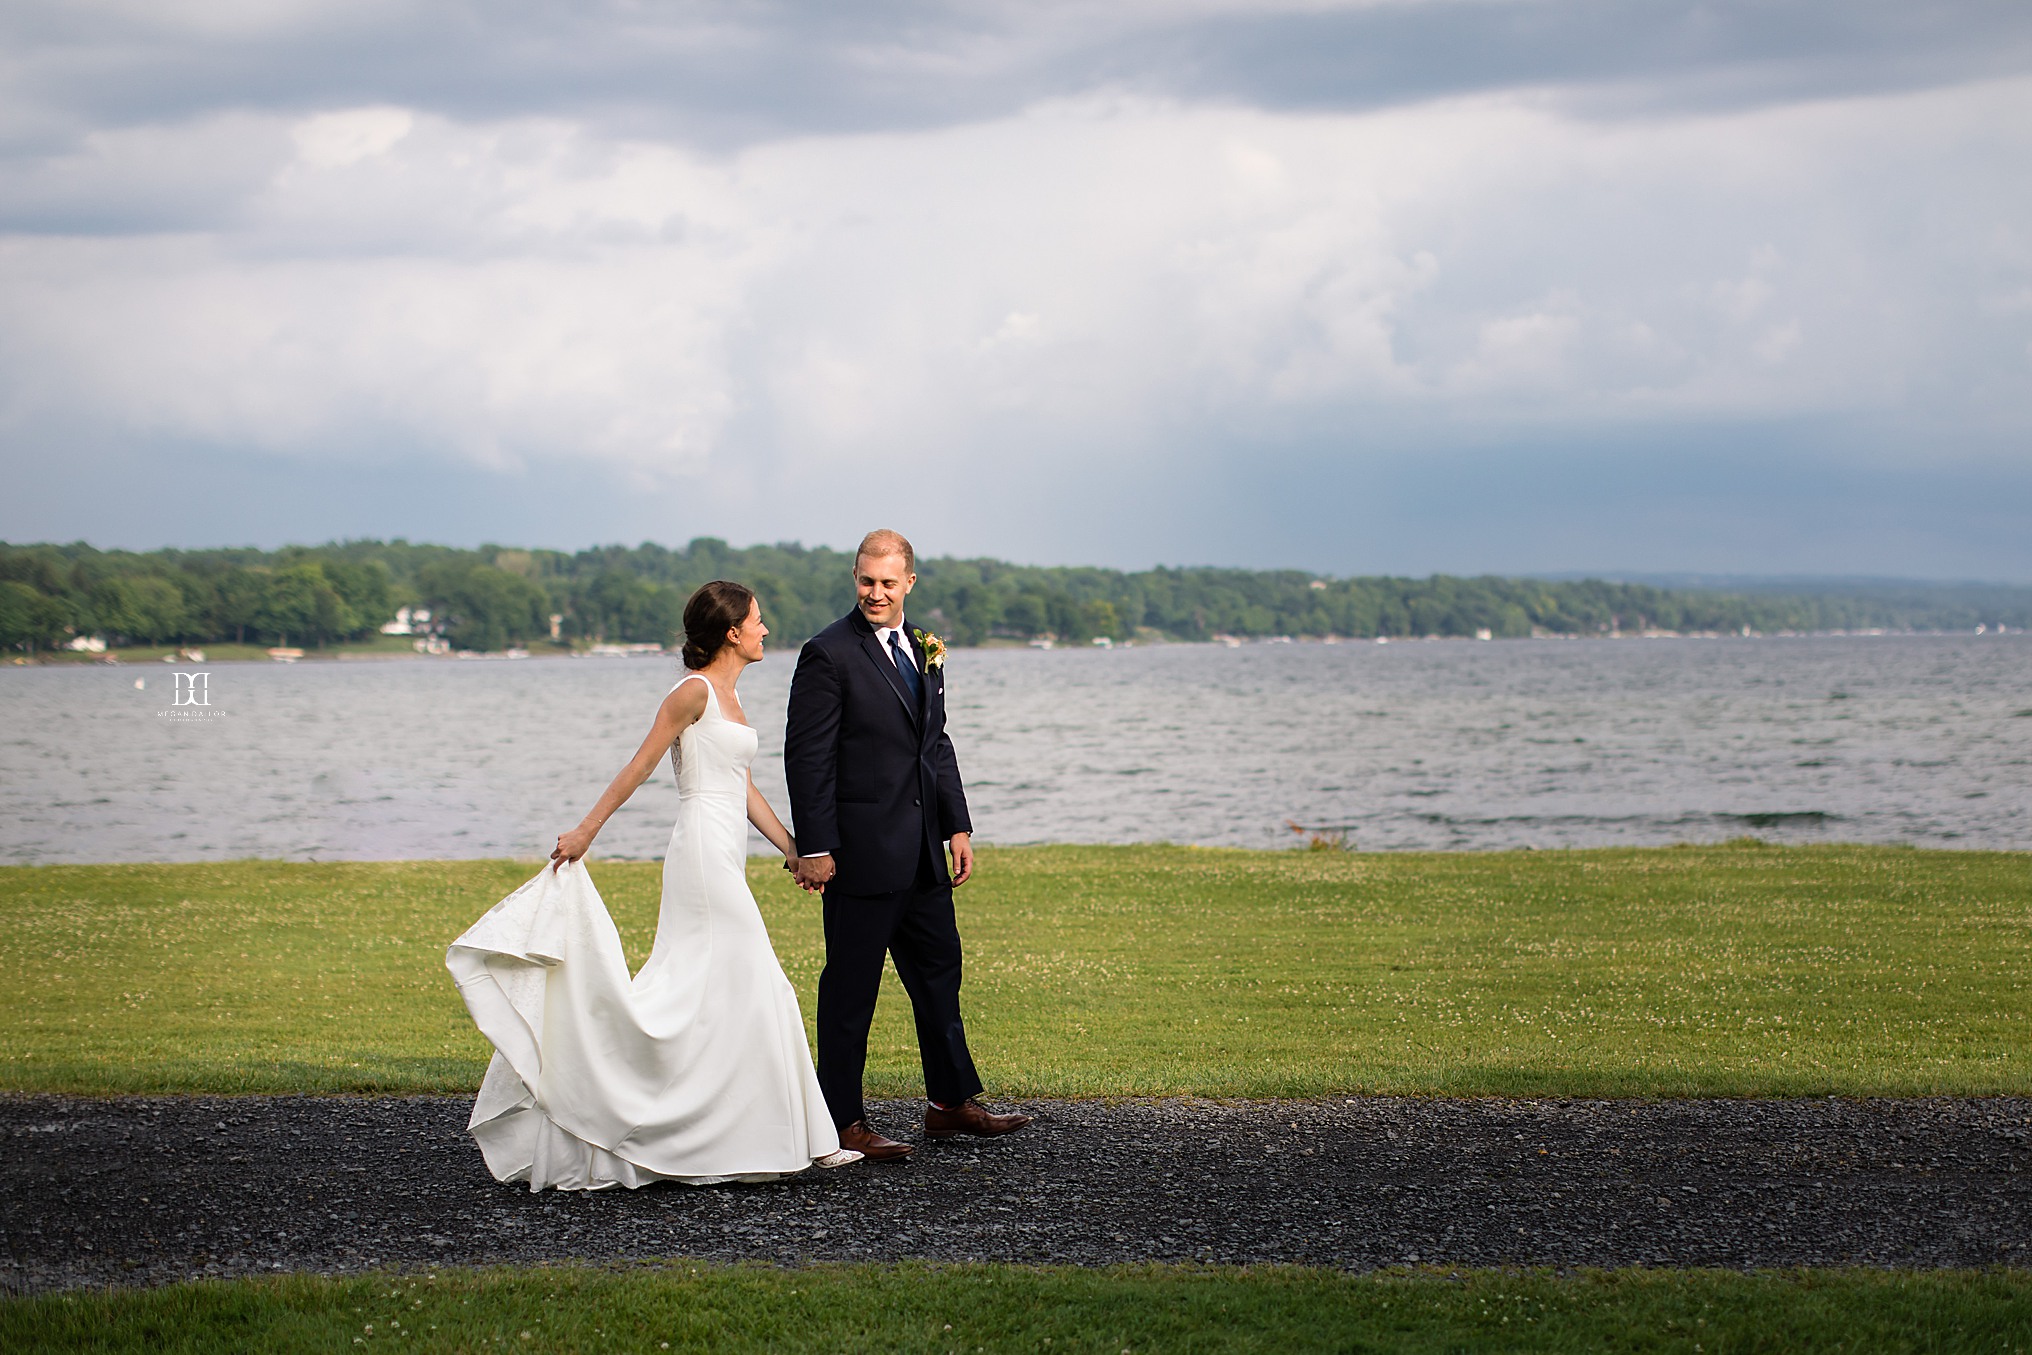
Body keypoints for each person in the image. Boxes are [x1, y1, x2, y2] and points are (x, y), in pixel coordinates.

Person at [445, 581, 861, 1189]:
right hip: (699, 856)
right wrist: (586, 830)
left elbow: (742, 789)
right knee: (759, 980)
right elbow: (639, 767)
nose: (765, 630)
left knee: (709, 992)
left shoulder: (731, 697)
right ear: (731, 632)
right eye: (758, 621)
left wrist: (796, 850)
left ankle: (753, 1132)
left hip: (724, 849)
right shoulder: (692, 692)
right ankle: (805, 1140)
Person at [784, 529, 1032, 1159]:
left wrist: (958, 825)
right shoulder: (826, 654)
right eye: (866, 581)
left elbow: (935, 744)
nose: (875, 592)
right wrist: (815, 845)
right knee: (849, 992)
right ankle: (841, 1121)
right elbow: (807, 759)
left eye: (887, 583)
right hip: (860, 857)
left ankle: (949, 1105)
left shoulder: (924, 648)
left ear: (909, 583)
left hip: (923, 853)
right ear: (855, 577)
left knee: (939, 976)